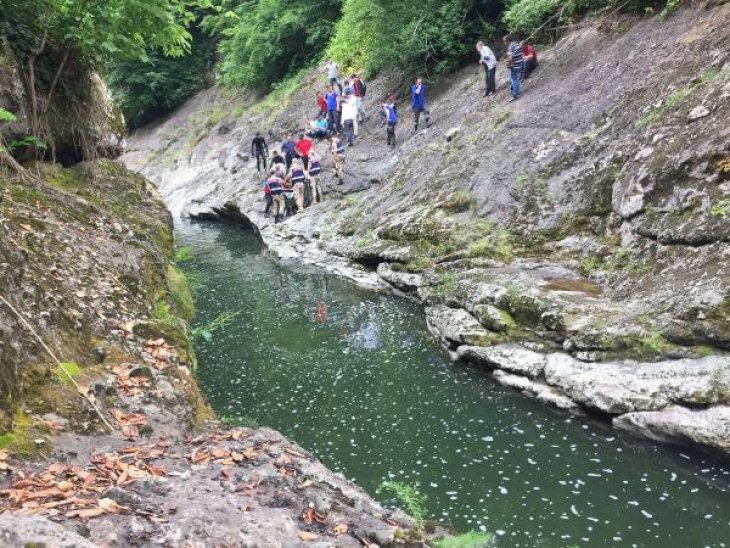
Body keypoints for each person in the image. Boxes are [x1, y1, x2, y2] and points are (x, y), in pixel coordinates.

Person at [503, 34, 523, 102]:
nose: (504, 43)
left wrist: (508, 64)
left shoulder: (510, 47)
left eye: (504, 41)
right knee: (516, 79)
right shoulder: (517, 44)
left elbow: (510, 58)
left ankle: (515, 94)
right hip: (520, 64)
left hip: (515, 65)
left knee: (514, 79)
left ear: (507, 41)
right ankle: (517, 91)